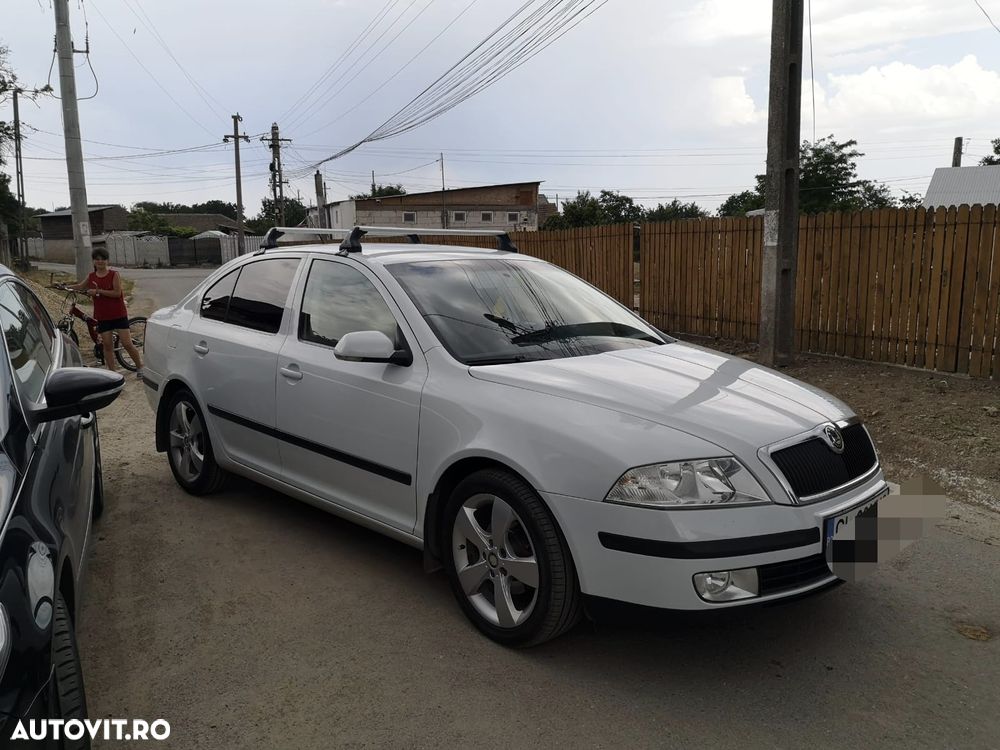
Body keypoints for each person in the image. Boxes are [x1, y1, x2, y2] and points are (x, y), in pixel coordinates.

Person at [67, 248, 144, 377]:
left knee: (127, 343)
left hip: (118, 314)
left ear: (107, 261)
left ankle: (140, 367)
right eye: (97, 259)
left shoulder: (114, 274)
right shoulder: (91, 276)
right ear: (93, 261)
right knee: (107, 346)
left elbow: (117, 293)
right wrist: (63, 286)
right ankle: (113, 374)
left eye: (103, 259)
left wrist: (98, 291)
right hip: (103, 316)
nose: (100, 261)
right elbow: (80, 286)